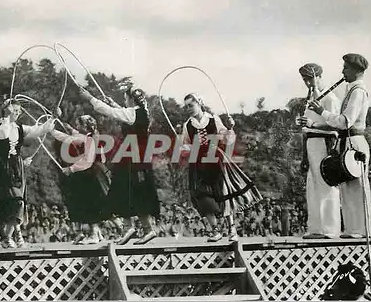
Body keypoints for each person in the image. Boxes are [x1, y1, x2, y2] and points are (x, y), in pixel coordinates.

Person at [78, 86, 160, 245]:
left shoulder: (133, 113)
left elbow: (112, 112)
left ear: (131, 99)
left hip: (134, 158)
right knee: (132, 190)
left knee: (123, 189)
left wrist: (90, 98)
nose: (124, 101)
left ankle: (135, 227)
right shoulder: (140, 112)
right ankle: (140, 228)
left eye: (125, 98)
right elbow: (123, 112)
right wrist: (114, 104)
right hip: (136, 157)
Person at [0, 100, 55, 248]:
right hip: (2, 169)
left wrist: (53, 118)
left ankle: (12, 236)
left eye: (18, 111)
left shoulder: (19, 127)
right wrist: (6, 117)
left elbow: (39, 131)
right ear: (7, 110)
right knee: (13, 201)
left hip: (16, 167)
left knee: (17, 201)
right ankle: (10, 236)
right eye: (15, 110)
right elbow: (3, 135)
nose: (18, 113)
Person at [180, 93, 262, 242]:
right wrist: (185, 149)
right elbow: (185, 144)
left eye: (190, 105)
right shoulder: (188, 125)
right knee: (202, 196)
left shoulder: (213, 119)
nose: (188, 109)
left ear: (199, 103)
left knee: (223, 193)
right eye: (186, 107)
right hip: (198, 163)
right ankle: (215, 230)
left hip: (215, 160)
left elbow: (227, 138)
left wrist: (230, 128)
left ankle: (232, 229)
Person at [308, 53, 371, 238]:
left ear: (356, 70)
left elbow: (345, 121)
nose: (342, 71)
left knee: (358, 186)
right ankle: (353, 229)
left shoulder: (358, 91)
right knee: (347, 186)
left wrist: (322, 111)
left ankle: (362, 230)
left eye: (345, 68)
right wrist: (315, 123)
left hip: (355, 142)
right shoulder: (351, 90)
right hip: (348, 142)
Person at [296, 63, 342, 239]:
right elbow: (306, 129)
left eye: (310, 79)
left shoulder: (330, 99)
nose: (308, 84)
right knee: (313, 187)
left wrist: (313, 125)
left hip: (324, 143)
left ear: (319, 77)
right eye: (305, 80)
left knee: (327, 186)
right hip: (311, 143)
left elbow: (335, 126)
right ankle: (315, 228)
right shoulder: (310, 102)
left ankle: (330, 229)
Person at [51, 113, 110, 244]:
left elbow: (86, 161)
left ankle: (94, 234)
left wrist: (70, 169)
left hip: (91, 174)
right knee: (87, 202)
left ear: (85, 127)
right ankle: (95, 234)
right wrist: (53, 130)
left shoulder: (89, 139)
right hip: (95, 173)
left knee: (90, 203)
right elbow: (69, 137)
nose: (76, 127)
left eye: (78, 125)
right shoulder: (92, 135)